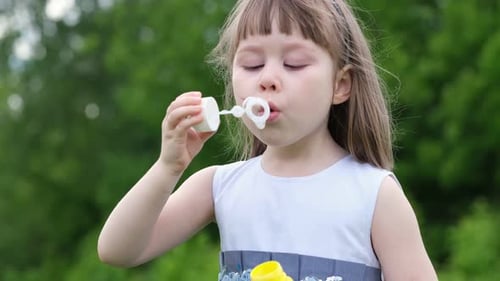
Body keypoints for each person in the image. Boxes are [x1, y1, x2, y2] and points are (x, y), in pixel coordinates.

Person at [97, 0, 438, 280]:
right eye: (252, 64)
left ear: (340, 85)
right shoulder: (221, 186)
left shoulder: (373, 195)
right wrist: (167, 167)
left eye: (294, 63)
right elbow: (118, 250)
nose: (268, 79)